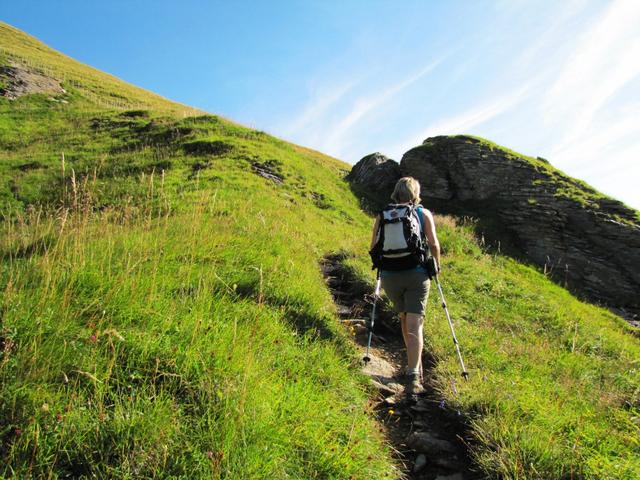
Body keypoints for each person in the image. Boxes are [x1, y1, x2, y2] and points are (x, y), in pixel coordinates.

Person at [369, 177, 441, 396]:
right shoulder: (423, 213)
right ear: (415, 193)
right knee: (415, 323)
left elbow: (373, 246)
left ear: (396, 193)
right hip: (416, 274)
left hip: (391, 275)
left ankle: (413, 366)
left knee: (403, 317)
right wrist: (436, 265)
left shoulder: (383, 215)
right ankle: (413, 373)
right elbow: (433, 243)